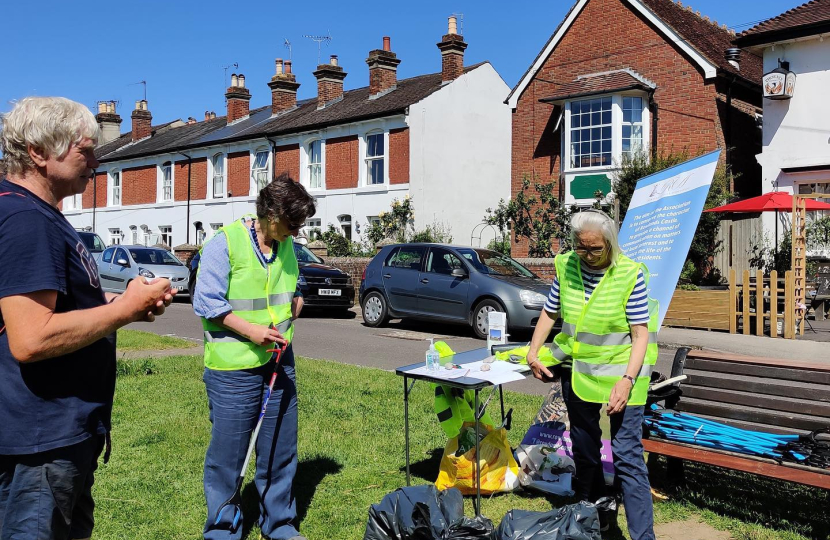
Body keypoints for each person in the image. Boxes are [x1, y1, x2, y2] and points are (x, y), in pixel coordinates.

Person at [0, 97, 175, 540]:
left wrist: (121, 300)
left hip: (56, 437)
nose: (96, 161)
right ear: (39, 152)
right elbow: (30, 337)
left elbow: (55, 305)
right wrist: (122, 311)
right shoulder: (25, 219)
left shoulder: (42, 215)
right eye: (86, 150)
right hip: (39, 445)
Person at [193, 173, 316, 540]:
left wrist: (298, 302)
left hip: (279, 362)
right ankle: (223, 527)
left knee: (280, 446)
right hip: (233, 369)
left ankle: (278, 523)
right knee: (229, 455)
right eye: (292, 223)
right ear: (272, 213)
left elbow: (295, 287)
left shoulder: (287, 245)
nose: (295, 232)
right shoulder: (224, 243)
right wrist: (253, 332)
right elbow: (207, 302)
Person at [525, 210, 658, 540]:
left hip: (625, 374)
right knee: (585, 449)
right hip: (580, 372)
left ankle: (644, 537)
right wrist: (533, 350)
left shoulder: (629, 274)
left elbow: (640, 335)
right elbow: (550, 311)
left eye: (595, 249)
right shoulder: (567, 264)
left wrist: (626, 380)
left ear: (611, 243)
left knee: (627, 456)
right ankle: (594, 519)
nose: (587, 256)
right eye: (581, 247)